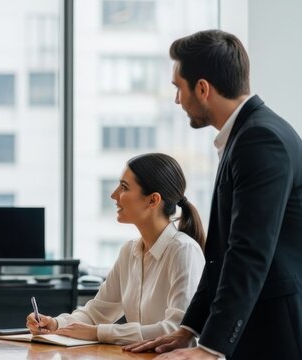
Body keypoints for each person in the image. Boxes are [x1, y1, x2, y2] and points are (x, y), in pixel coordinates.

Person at [124, 30, 302, 360]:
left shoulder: (260, 139)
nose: (177, 100)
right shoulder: (245, 135)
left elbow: (248, 251)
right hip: (254, 327)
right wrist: (190, 329)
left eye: (179, 87)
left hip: (273, 333)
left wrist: (211, 347)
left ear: (202, 89)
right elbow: (219, 255)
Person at [26, 153, 205, 345]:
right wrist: (55, 324)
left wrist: (98, 333)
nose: (113, 195)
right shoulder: (130, 251)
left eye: (124, 187)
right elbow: (97, 313)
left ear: (152, 200)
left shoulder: (184, 251)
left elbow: (177, 330)